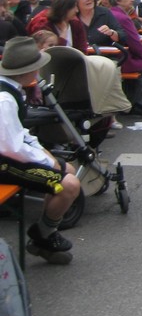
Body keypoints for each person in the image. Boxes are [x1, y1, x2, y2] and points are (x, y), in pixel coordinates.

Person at [0, 37, 82, 265]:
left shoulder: (11, 90)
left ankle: (45, 233)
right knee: (69, 184)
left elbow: (19, 134)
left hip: (8, 157)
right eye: (36, 66)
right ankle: (42, 236)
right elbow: (10, 147)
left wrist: (42, 151)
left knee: (69, 170)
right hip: (4, 163)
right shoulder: (4, 99)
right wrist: (46, 162)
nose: (39, 69)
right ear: (25, 71)